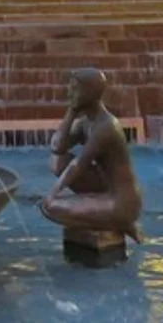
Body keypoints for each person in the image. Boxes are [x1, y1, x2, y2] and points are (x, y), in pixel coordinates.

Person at [41, 68, 143, 244]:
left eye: (74, 89)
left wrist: (52, 194)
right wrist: (71, 111)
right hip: (106, 190)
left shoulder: (106, 126)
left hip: (123, 201)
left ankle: (120, 220)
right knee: (57, 162)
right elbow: (57, 147)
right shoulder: (85, 122)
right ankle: (108, 217)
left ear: (89, 92)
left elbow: (79, 164)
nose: (69, 93)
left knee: (49, 207)